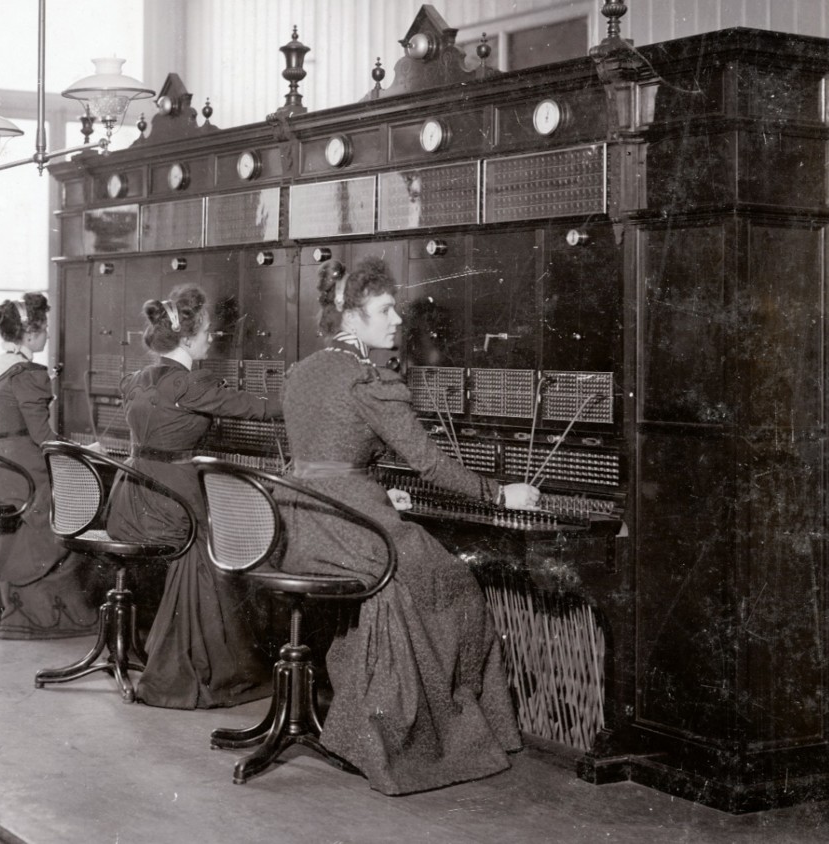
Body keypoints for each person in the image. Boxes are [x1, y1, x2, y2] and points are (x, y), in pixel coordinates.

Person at [279, 257, 540, 795]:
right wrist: (500, 493)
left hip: (302, 523)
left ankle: (363, 719)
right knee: (450, 580)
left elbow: (323, 454)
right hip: (351, 525)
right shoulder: (370, 380)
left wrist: (371, 487)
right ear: (352, 317)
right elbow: (432, 465)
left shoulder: (302, 371)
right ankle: (433, 735)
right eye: (384, 309)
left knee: (411, 578)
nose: (397, 319)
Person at [107, 284, 281, 709]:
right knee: (214, 546)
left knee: (210, 537)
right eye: (206, 331)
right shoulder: (188, 385)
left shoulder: (136, 379)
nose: (211, 338)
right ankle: (192, 670)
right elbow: (253, 408)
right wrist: (304, 399)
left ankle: (189, 656)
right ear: (186, 338)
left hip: (127, 501)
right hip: (170, 501)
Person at [0, 293, 101, 639]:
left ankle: (18, 609)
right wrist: (87, 449)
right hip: (22, 472)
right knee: (75, 517)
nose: (47, 337)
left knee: (29, 532)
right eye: (44, 330)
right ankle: (44, 617)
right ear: (30, 334)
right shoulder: (29, 373)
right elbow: (43, 436)